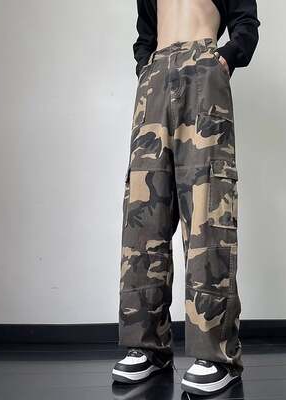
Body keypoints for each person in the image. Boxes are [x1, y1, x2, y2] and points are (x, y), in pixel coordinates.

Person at [112, 0, 260, 396]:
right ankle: (148, 346)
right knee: (144, 213)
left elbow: (246, 23)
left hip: (203, 70)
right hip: (155, 78)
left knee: (207, 212)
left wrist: (223, 59)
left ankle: (217, 355)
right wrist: (146, 67)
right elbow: (145, 34)